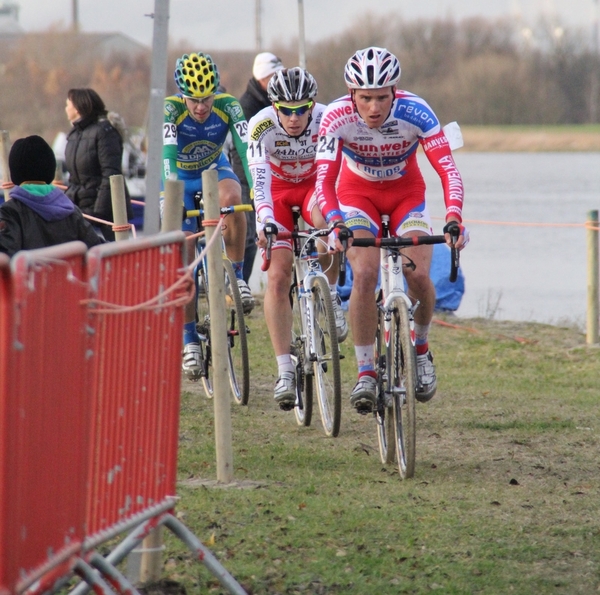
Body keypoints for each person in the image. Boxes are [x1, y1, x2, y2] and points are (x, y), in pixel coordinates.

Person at [315, 46, 469, 413]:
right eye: (365, 98)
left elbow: (448, 171)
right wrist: (336, 222)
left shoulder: (417, 111)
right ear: (352, 93)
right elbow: (324, 181)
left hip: (407, 195)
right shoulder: (336, 117)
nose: (373, 107)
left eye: (382, 97)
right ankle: (366, 371)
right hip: (357, 196)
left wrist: (454, 217)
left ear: (394, 92)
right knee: (365, 274)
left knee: (418, 277)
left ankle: (420, 348)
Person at [247, 67, 348, 409]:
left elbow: (333, 175)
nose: (293, 117)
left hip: (312, 188)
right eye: (286, 110)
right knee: (278, 275)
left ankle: (330, 293)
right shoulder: (261, 125)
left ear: (312, 104)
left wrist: (334, 224)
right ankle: (285, 370)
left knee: (325, 223)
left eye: (301, 109)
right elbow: (258, 181)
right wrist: (264, 220)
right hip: (275, 192)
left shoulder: (326, 119)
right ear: (274, 107)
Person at [163, 51, 254, 380]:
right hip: (180, 178)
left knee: (234, 198)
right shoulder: (171, 109)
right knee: (186, 257)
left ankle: (238, 276)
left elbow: (245, 148)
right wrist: (168, 198)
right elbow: (167, 157)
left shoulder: (228, 105)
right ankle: (189, 341)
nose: (201, 107)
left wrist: (257, 185)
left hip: (215, 169)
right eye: (194, 100)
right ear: (182, 95)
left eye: (206, 98)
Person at [228, 52, 285, 283]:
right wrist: (251, 182)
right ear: (262, 78)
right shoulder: (248, 105)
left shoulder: (275, 98)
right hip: (246, 176)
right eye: (273, 76)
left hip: (270, 174)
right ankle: (240, 285)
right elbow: (242, 150)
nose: (277, 81)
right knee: (248, 237)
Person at [0, 135, 104, 256]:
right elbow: (96, 248)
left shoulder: (10, 212)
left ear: (15, 171)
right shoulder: (70, 210)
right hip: (69, 274)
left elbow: (5, 256)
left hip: (31, 274)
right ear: (50, 168)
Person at [64, 88, 133, 241]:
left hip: (105, 214)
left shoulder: (105, 132)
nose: (66, 108)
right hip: (80, 211)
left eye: (68, 104)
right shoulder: (74, 135)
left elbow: (111, 173)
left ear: (77, 107)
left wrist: (98, 213)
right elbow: (73, 178)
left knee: (115, 257)